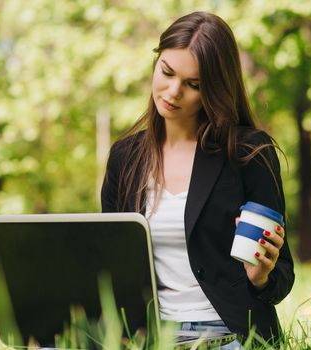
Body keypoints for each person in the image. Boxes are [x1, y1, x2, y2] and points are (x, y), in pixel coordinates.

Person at [101, 11, 294, 347]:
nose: (173, 92)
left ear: (214, 91)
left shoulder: (249, 154)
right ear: (156, 61)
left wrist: (262, 277)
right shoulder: (125, 158)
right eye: (167, 72)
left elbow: (282, 278)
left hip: (230, 336)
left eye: (193, 85)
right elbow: (110, 264)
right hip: (149, 338)